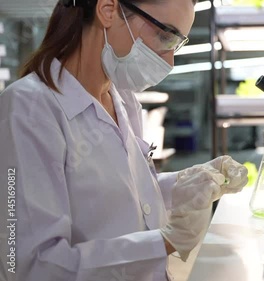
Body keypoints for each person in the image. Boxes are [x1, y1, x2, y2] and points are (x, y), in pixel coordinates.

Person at [0, 0, 248, 280]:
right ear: (108, 10)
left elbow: (123, 195)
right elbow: (33, 266)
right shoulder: (29, 107)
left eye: (177, 44)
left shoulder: (123, 99)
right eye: (165, 35)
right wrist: (165, 241)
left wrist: (186, 183)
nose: (169, 61)